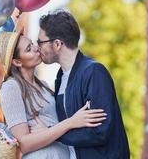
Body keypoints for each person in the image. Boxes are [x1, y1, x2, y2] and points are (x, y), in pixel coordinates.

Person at [0, 31, 107, 158]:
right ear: (17, 62)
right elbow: (24, 143)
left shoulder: (44, 85)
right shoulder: (11, 87)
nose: (36, 48)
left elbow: (52, 125)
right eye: (29, 49)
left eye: (32, 44)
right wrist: (71, 122)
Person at [37, 10, 130, 159]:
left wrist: (53, 133)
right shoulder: (60, 78)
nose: (38, 48)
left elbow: (101, 131)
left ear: (57, 44)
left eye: (40, 42)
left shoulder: (94, 72)